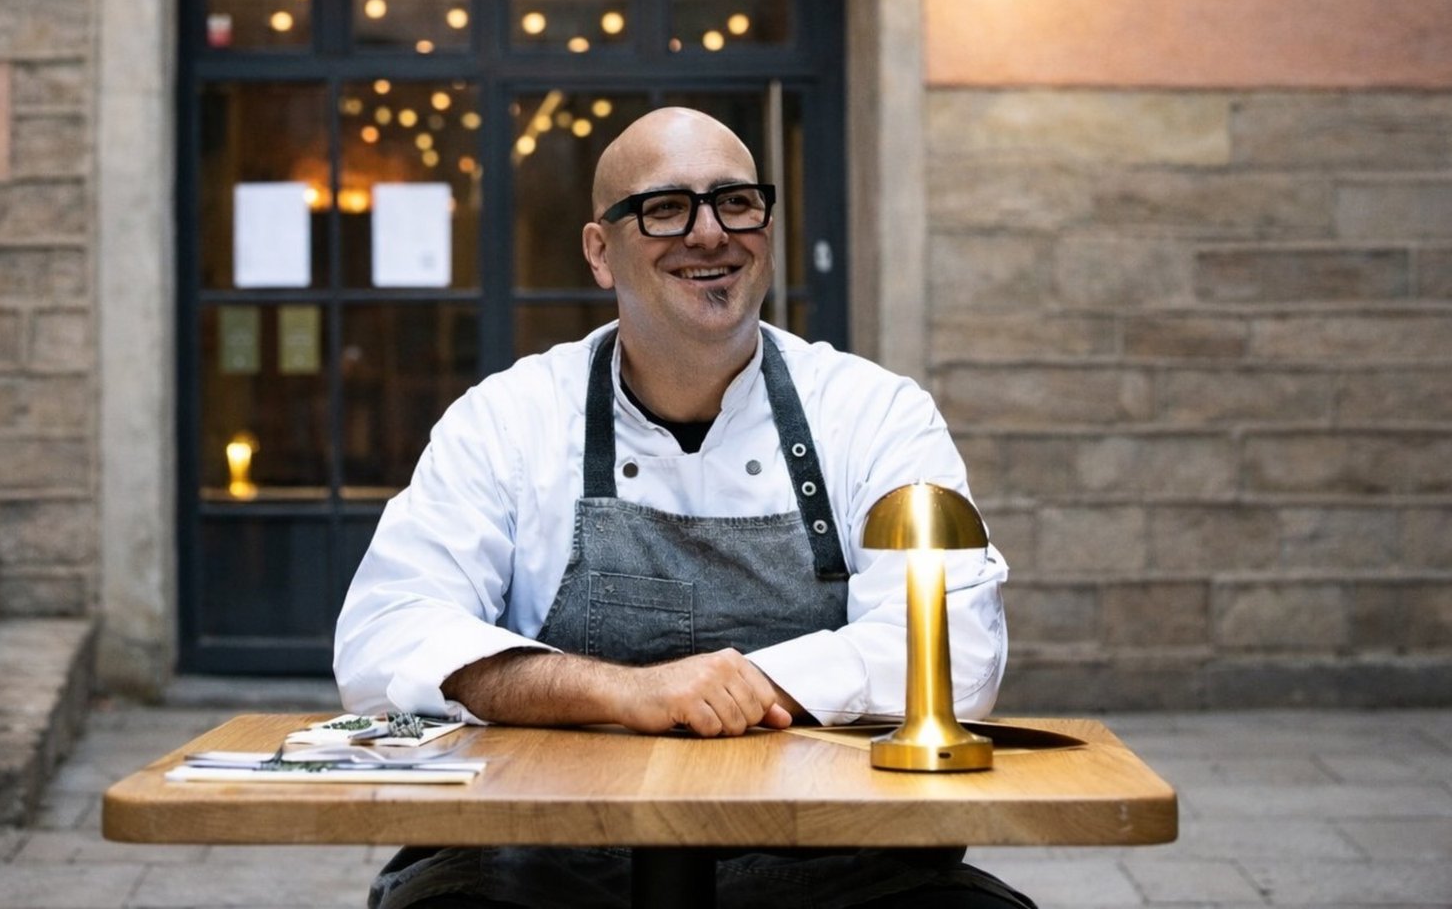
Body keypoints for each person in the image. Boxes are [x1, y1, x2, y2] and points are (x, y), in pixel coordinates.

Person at [335, 107, 1032, 909]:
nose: (710, 234)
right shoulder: (508, 417)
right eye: (665, 209)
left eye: (736, 202)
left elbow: (956, 653)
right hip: (544, 859)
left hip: (829, 858)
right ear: (601, 252)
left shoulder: (875, 414)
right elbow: (384, 636)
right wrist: (622, 693)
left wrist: (732, 685)